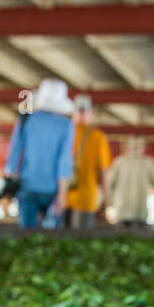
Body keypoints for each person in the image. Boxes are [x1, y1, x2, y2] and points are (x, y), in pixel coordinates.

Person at [2, 78, 74, 228]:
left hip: (26, 186)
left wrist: (8, 187)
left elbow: (14, 155)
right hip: (52, 189)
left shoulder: (26, 120)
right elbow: (64, 162)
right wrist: (62, 194)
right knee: (51, 238)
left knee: (27, 235)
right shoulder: (66, 125)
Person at [63, 94, 111, 228]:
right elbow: (105, 173)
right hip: (87, 200)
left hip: (61, 197)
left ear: (73, 112)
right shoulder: (98, 137)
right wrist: (107, 202)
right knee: (82, 240)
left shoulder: (64, 133)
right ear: (91, 112)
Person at [106, 136, 154, 227]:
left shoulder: (118, 162)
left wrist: (110, 204)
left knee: (121, 238)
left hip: (121, 209)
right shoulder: (149, 162)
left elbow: (110, 184)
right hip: (141, 210)